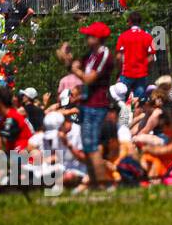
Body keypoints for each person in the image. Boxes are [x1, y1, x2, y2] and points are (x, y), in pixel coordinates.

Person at [55, 20, 116, 188]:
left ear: (97, 38)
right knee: (87, 146)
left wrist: (74, 69)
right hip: (87, 104)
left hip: (97, 105)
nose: (86, 38)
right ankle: (95, 184)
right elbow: (72, 66)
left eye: (89, 35)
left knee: (92, 147)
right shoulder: (89, 54)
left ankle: (102, 184)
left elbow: (88, 78)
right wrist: (66, 56)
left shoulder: (104, 55)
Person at [114, 11, 155, 99]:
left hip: (126, 73)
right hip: (141, 74)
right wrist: (148, 69)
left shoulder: (123, 36)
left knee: (121, 98)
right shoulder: (147, 37)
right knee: (139, 101)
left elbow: (118, 57)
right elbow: (151, 58)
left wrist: (119, 71)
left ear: (129, 22)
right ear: (140, 22)